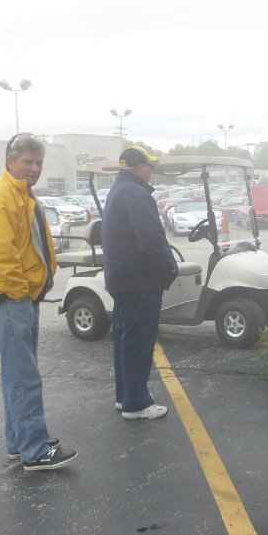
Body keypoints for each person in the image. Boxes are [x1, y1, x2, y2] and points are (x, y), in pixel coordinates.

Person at [0, 133, 77, 471]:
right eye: (28, 161)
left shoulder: (23, 196)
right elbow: (0, 256)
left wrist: (35, 289)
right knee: (24, 377)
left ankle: (20, 441)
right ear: (9, 161)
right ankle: (34, 450)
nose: (34, 168)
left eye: (39, 162)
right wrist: (21, 293)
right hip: (7, 300)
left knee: (16, 375)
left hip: (20, 299)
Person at [102, 146, 178, 420]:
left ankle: (126, 397)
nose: (151, 171)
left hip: (122, 279)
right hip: (139, 281)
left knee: (125, 340)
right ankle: (137, 404)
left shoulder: (119, 190)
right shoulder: (136, 194)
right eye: (150, 166)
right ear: (139, 167)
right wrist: (170, 267)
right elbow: (151, 239)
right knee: (139, 342)